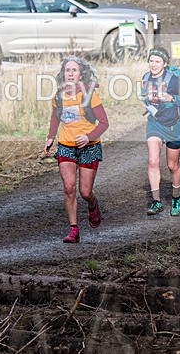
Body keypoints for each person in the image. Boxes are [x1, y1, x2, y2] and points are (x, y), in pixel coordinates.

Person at [43, 56, 109, 243]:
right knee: (69, 187)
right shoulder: (59, 95)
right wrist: (50, 138)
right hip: (66, 145)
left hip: (89, 146)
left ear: (81, 73)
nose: (70, 73)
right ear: (63, 73)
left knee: (85, 192)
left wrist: (88, 136)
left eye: (74, 70)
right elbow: (55, 118)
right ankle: (73, 230)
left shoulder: (89, 95)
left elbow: (104, 123)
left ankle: (93, 205)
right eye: (67, 70)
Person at [140, 46, 180, 216]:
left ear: (165, 64)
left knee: (172, 165)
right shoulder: (146, 77)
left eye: (157, 61)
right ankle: (156, 202)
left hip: (174, 125)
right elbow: (145, 96)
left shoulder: (173, 80)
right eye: (151, 60)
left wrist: (173, 99)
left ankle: (176, 196)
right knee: (153, 161)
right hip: (155, 123)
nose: (153, 64)